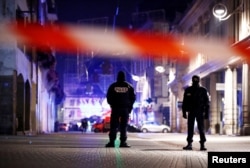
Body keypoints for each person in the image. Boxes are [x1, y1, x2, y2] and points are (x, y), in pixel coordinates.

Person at [105, 71, 136, 148]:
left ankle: (112, 142)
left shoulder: (113, 86)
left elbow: (108, 97)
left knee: (113, 126)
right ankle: (123, 142)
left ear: (117, 76)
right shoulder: (129, 86)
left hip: (115, 108)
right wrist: (129, 107)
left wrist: (112, 105)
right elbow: (133, 98)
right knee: (123, 126)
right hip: (125, 109)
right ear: (124, 77)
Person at [182, 75, 209, 151]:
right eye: (194, 79)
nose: (195, 81)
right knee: (190, 128)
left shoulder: (203, 90)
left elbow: (207, 102)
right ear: (192, 80)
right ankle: (189, 143)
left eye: (196, 79)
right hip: (191, 111)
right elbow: (185, 102)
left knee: (201, 128)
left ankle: (202, 144)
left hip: (200, 111)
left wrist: (206, 113)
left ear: (199, 80)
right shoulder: (188, 90)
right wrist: (184, 112)